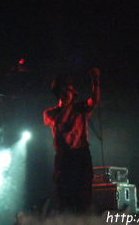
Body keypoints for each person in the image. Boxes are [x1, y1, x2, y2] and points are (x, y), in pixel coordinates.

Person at [43, 68, 101, 214]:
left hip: (81, 155)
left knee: (84, 199)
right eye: (67, 89)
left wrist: (95, 81)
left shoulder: (79, 108)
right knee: (64, 199)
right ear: (60, 92)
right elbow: (60, 123)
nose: (71, 92)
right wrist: (69, 104)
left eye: (71, 89)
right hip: (64, 158)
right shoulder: (50, 112)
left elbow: (94, 100)